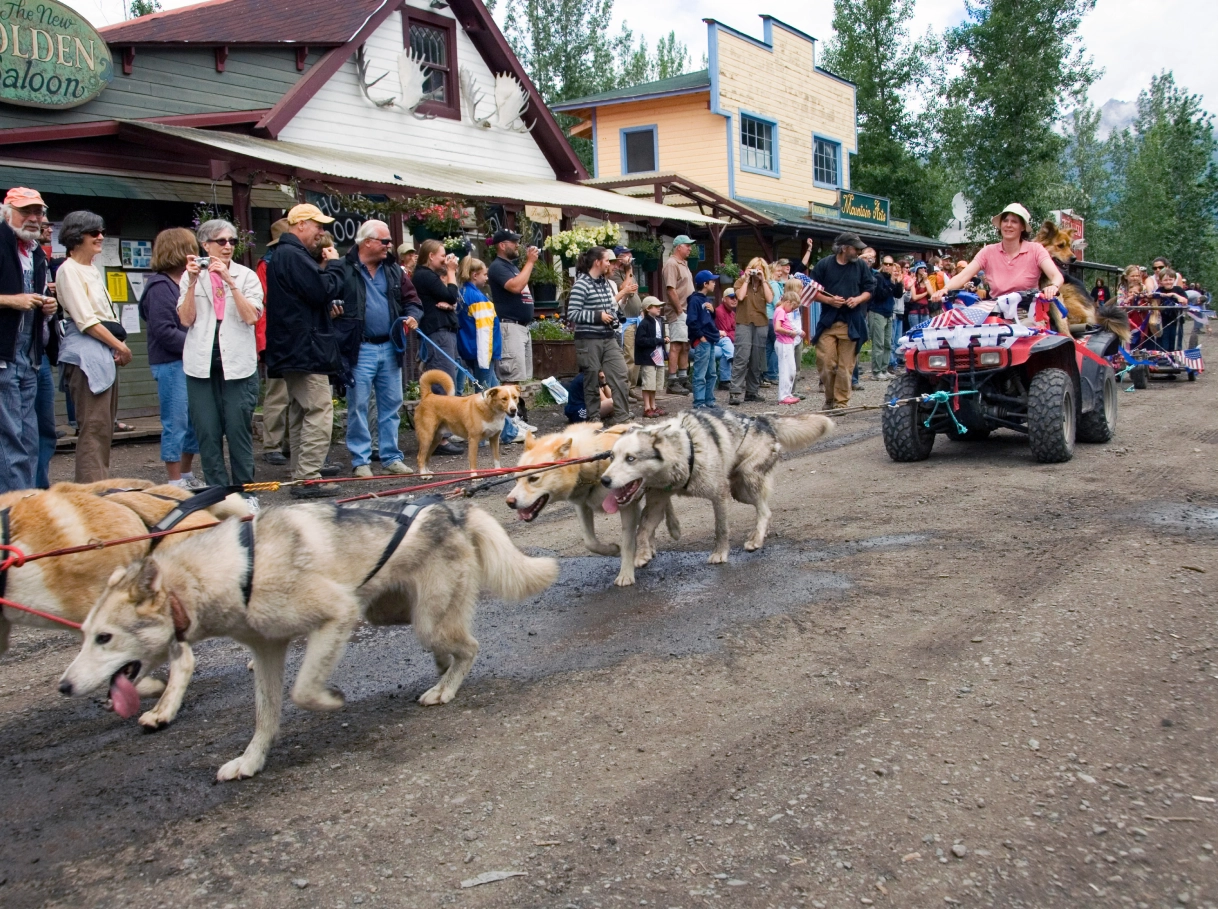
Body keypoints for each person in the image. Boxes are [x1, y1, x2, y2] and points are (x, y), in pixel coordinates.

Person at [264, 202, 345, 498]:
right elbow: (322, 290)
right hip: (304, 348)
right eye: (317, 226)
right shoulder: (293, 255)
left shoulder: (284, 255)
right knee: (319, 409)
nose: (321, 233)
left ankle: (301, 473)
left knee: (300, 411)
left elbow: (309, 298)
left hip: (293, 347)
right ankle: (309, 476)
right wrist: (335, 265)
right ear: (300, 225)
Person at [177, 219, 263, 490]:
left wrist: (230, 282)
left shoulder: (246, 275)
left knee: (238, 430)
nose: (228, 247)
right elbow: (185, 319)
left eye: (232, 242)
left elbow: (252, 317)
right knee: (207, 431)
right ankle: (217, 492)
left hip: (237, 363)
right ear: (205, 245)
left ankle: (245, 489)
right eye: (221, 241)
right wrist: (191, 283)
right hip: (200, 364)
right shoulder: (191, 275)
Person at [338, 219, 420, 478]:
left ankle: (390, 456)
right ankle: (361, 460)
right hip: (359, 347)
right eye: (384, 241)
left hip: (390, 345)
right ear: (367, 242)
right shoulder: (343, 268)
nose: (389, 246)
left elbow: (412, 300)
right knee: (358, 404)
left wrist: (413, 315)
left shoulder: (394, 270)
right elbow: (328, 298)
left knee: (392, 404)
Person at [56, 210, 130, 483]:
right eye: (93, 233)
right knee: (94, 426)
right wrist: (121, 348)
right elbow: (86, 321)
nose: (100, 237)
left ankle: (101, 487)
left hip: (102, 350)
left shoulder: (91, 269)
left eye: (101, 231)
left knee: (104, 427)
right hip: (85, 352)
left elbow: (106, 317)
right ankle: (92, 493)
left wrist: (116, 345)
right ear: (77, 237)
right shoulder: (69, 270)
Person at [0, 188, 55, 492]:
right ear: (7, 212)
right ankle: (14, 511)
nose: (34, 218)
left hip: (29, 358)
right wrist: (12, 300)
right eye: (26, 211)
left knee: (30, 438)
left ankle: (29, 501)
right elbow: (17, 300)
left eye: (38, 211)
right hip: (3, 357)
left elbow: (33, 302)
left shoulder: (35, 252)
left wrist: (48, 306)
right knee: (9, 440)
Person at [141, 227, 203, 488]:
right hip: (171, 363)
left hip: (190, 363)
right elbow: (164, 331)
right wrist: (196, 346)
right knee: (175, 421)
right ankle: (174, 479)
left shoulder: (187, 283)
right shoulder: (159, 287)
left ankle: (187, 474)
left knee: (194, 422)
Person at [935, 203, 1063, 303]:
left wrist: (1053, 286)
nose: (1008, 225)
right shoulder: (988, 251)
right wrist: (945, 289)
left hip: (1027, 314)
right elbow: (963, 276)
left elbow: (1056, 276)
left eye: (1014, 221)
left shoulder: (1036, 250)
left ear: (1022, 227)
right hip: (997, 313)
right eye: (1005, 220)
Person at [457, 255, 518, 445]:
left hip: (471, 349)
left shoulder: (463, 293)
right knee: (485, 396)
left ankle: (508, 430)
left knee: (495, 391)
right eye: (484, 274)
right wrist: (487, 357)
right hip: (483, 353)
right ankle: (495, 434)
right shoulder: (477, 297)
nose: (487, 278)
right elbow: (484, 331)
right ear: (475, 275)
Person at [810, 232, 874, 409]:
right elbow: (812, 291)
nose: (859, 252)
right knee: (826, 363)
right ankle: (830, 398)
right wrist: (829, 300)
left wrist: (858, 300)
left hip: (852, 323)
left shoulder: (860, 266)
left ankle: (841, 403)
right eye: (856, 248)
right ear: (844, 248)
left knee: (845, 368)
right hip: (828, 322)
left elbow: (870, 289)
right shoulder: (824, 265)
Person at [567, 245, 629, 425]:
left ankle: (622, 417)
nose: (610, 263)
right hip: (588, 339)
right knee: (592, 377)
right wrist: (598, 316)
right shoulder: (581, 284)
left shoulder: (605, 284)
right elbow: (572, 313)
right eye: (607, 260)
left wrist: (613, 317)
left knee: (620, 373)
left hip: (608, 337)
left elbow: (610, 307)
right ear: (597, 262)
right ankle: (593, 418)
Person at [256, 219, 290, 466]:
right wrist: (263, 343)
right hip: (275, 337)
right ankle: (272, 444)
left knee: (295, 394)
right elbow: (263, 307)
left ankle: (287, 442)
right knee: (277, 394)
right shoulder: (266, 266)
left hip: (289, 337)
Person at [486, 229, 536, 384]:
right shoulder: (497, 266)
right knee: (511, 377)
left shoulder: (511, 267)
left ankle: (517, 408)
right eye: (514, 242)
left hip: (521, 327)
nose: (517, 245)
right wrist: (530, 262)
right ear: (502, 245)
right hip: (510, 326)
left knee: (519, 377)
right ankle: (508, 409)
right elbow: (515, 286)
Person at [729, 258, 774, 405]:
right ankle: (735, 392)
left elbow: (770, 299)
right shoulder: (740, 282)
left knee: (757, 359)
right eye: (754, 268)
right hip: (744, 322)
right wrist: (747, 279)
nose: (756, 271)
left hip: (761, 323)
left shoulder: (765, 284)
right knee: (742, 357)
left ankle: (752, 392)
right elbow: (740, 297)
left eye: (760, 269)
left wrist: (764, 280)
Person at [662, 234, 695, 394]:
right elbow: (671, 289)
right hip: (678, 311)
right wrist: (680, 311)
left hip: (687, 310)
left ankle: (683, 378)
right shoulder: (671, 264)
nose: (690, 248)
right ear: (678, 247)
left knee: (685, 345)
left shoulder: (684, 264)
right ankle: (672, 381)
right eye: (687, 245)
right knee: (676, 345)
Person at [686, 269, 720, 408]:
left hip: (710, 340)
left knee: (712, 373)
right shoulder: (694, 300)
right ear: (705, 284)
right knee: (700, 373)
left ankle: (709, 400)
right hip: (702, 340)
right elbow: (691, 321)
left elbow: (707, 319)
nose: (714, 284)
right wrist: (700, 336)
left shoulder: (707, 300)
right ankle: (699, 402)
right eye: (712, 281)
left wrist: (713, 312)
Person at [865, 250, 901, 381]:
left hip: (888, 312)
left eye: (890, 264)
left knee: (888, 343)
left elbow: (898, 294)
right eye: (886, 264)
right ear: (882, 264)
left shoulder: (891, 278)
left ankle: (884, 369)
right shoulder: (878, 277)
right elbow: (880, 295)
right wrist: (891, 283)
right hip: (877, 312)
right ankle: (876, 371)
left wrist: (898, 282)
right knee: (878, 344)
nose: (888, 266)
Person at [634, 296, 667, 418]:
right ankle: (647, 407)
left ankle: (653, 405)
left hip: (657, 356)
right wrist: (658, 341)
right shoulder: (644, 323)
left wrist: (662, 341)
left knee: (654, 383)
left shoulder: (658, 321)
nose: (659, 308)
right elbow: (640, 341)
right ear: (648, 308)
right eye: (656, 306)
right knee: (648, 383)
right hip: (648, 357)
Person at [774, 280, 804, 404]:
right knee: (785, 370)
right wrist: (790, 332)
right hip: (783, 343)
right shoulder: (780, 311)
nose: (792, 310)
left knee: (791, 369)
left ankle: (788, 393)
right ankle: (783, 396)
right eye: (792, 307)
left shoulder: (783, 311)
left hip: (788, 343)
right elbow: (777, 327)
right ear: (787, 302)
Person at [1153, 268, 1188, 352]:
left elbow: (1185, 301)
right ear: (1160, 281)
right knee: (1163, 339)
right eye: (1165, 280)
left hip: (1177, 320)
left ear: (1174, 280)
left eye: (1170, 279)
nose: (1168, 282)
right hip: (1163, 320)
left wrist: (1174, 295)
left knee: (1175, 339)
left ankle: (1175, 356)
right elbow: (1155, 301)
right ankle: (1163, 357)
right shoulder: (1159, 290)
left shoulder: (1178, 290)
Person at [714, 286, 737, 390]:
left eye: (736, 297)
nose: (735, 300)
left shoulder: (733, 313)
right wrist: (730, 333)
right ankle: (732, 358)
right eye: (731, 297)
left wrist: (729, 333)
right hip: (715, 341)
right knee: (726, 343)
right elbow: (722, 333)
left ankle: (724, 381)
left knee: (725, 352)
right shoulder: (719, 311)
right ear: (724, 299)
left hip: (725, 345)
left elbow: (734, 332)